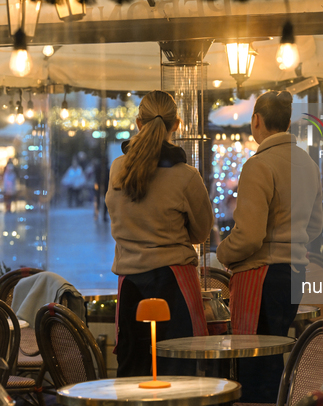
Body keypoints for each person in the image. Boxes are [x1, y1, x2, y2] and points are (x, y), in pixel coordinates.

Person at [216, 90, 323, 402]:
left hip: (261, 277)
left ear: (256, 120)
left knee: (254, 366)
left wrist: (223, 253)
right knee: (273, 358)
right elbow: (313, 226)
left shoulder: (258, 165)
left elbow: (249, 236)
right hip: (294, 275)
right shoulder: (307, 163)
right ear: (288, 122)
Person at [105, 90, 213, 377]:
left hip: (130, 287)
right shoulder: (186, 176)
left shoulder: (117, 169)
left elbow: (115, 218)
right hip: (173, 283)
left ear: (139, 122)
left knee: (132, 373)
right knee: (178, 374)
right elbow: (201, 233)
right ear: (176, 124)